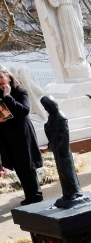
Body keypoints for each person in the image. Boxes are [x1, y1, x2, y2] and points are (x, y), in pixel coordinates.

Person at [0, 66, 43, 205]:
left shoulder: (20, 91)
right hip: (7, 134)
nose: (0, 81)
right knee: (18, 166)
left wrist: (8, 97)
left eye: (1, 77)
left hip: (22, 133)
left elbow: (24, 110)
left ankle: (36, 196)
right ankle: (29, 195)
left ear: (9, 77)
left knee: (28, 165)